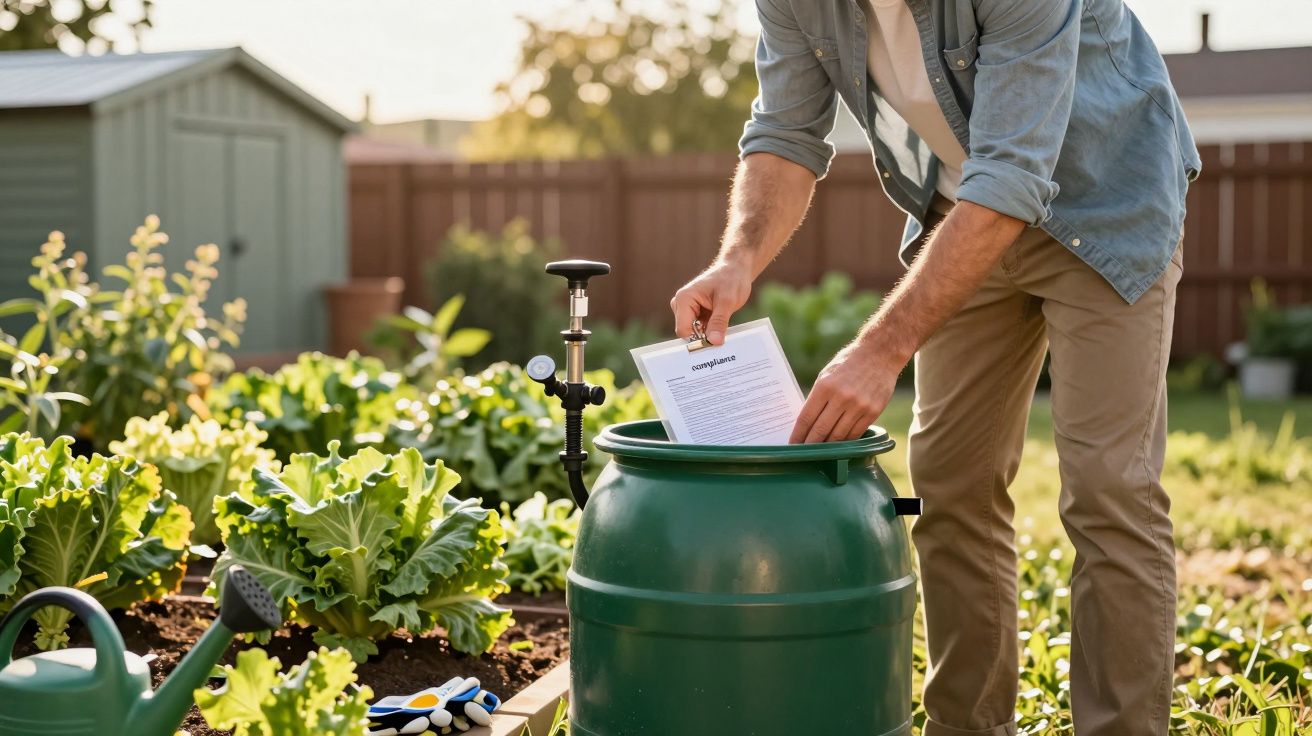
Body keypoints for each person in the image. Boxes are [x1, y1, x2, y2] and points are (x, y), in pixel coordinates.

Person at [668, 1, 1199, 734]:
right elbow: (786, 133)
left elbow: (1013, 173)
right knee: (952, 486)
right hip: (963, 216)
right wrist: (737, 258)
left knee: (1109, 488)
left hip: (1106, 203)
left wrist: (880, 351)